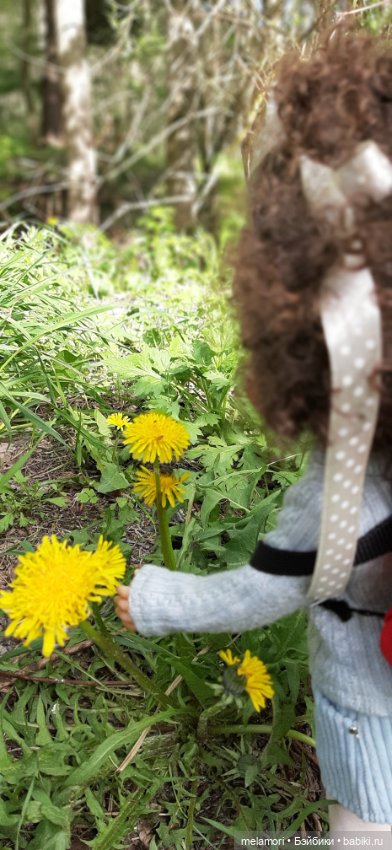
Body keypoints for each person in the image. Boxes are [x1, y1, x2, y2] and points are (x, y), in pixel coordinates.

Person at [115, 28, 392, 834]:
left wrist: (161, 598)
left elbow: (263, 590)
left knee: (369, 825)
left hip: (366, 707)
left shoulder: (346, 494)